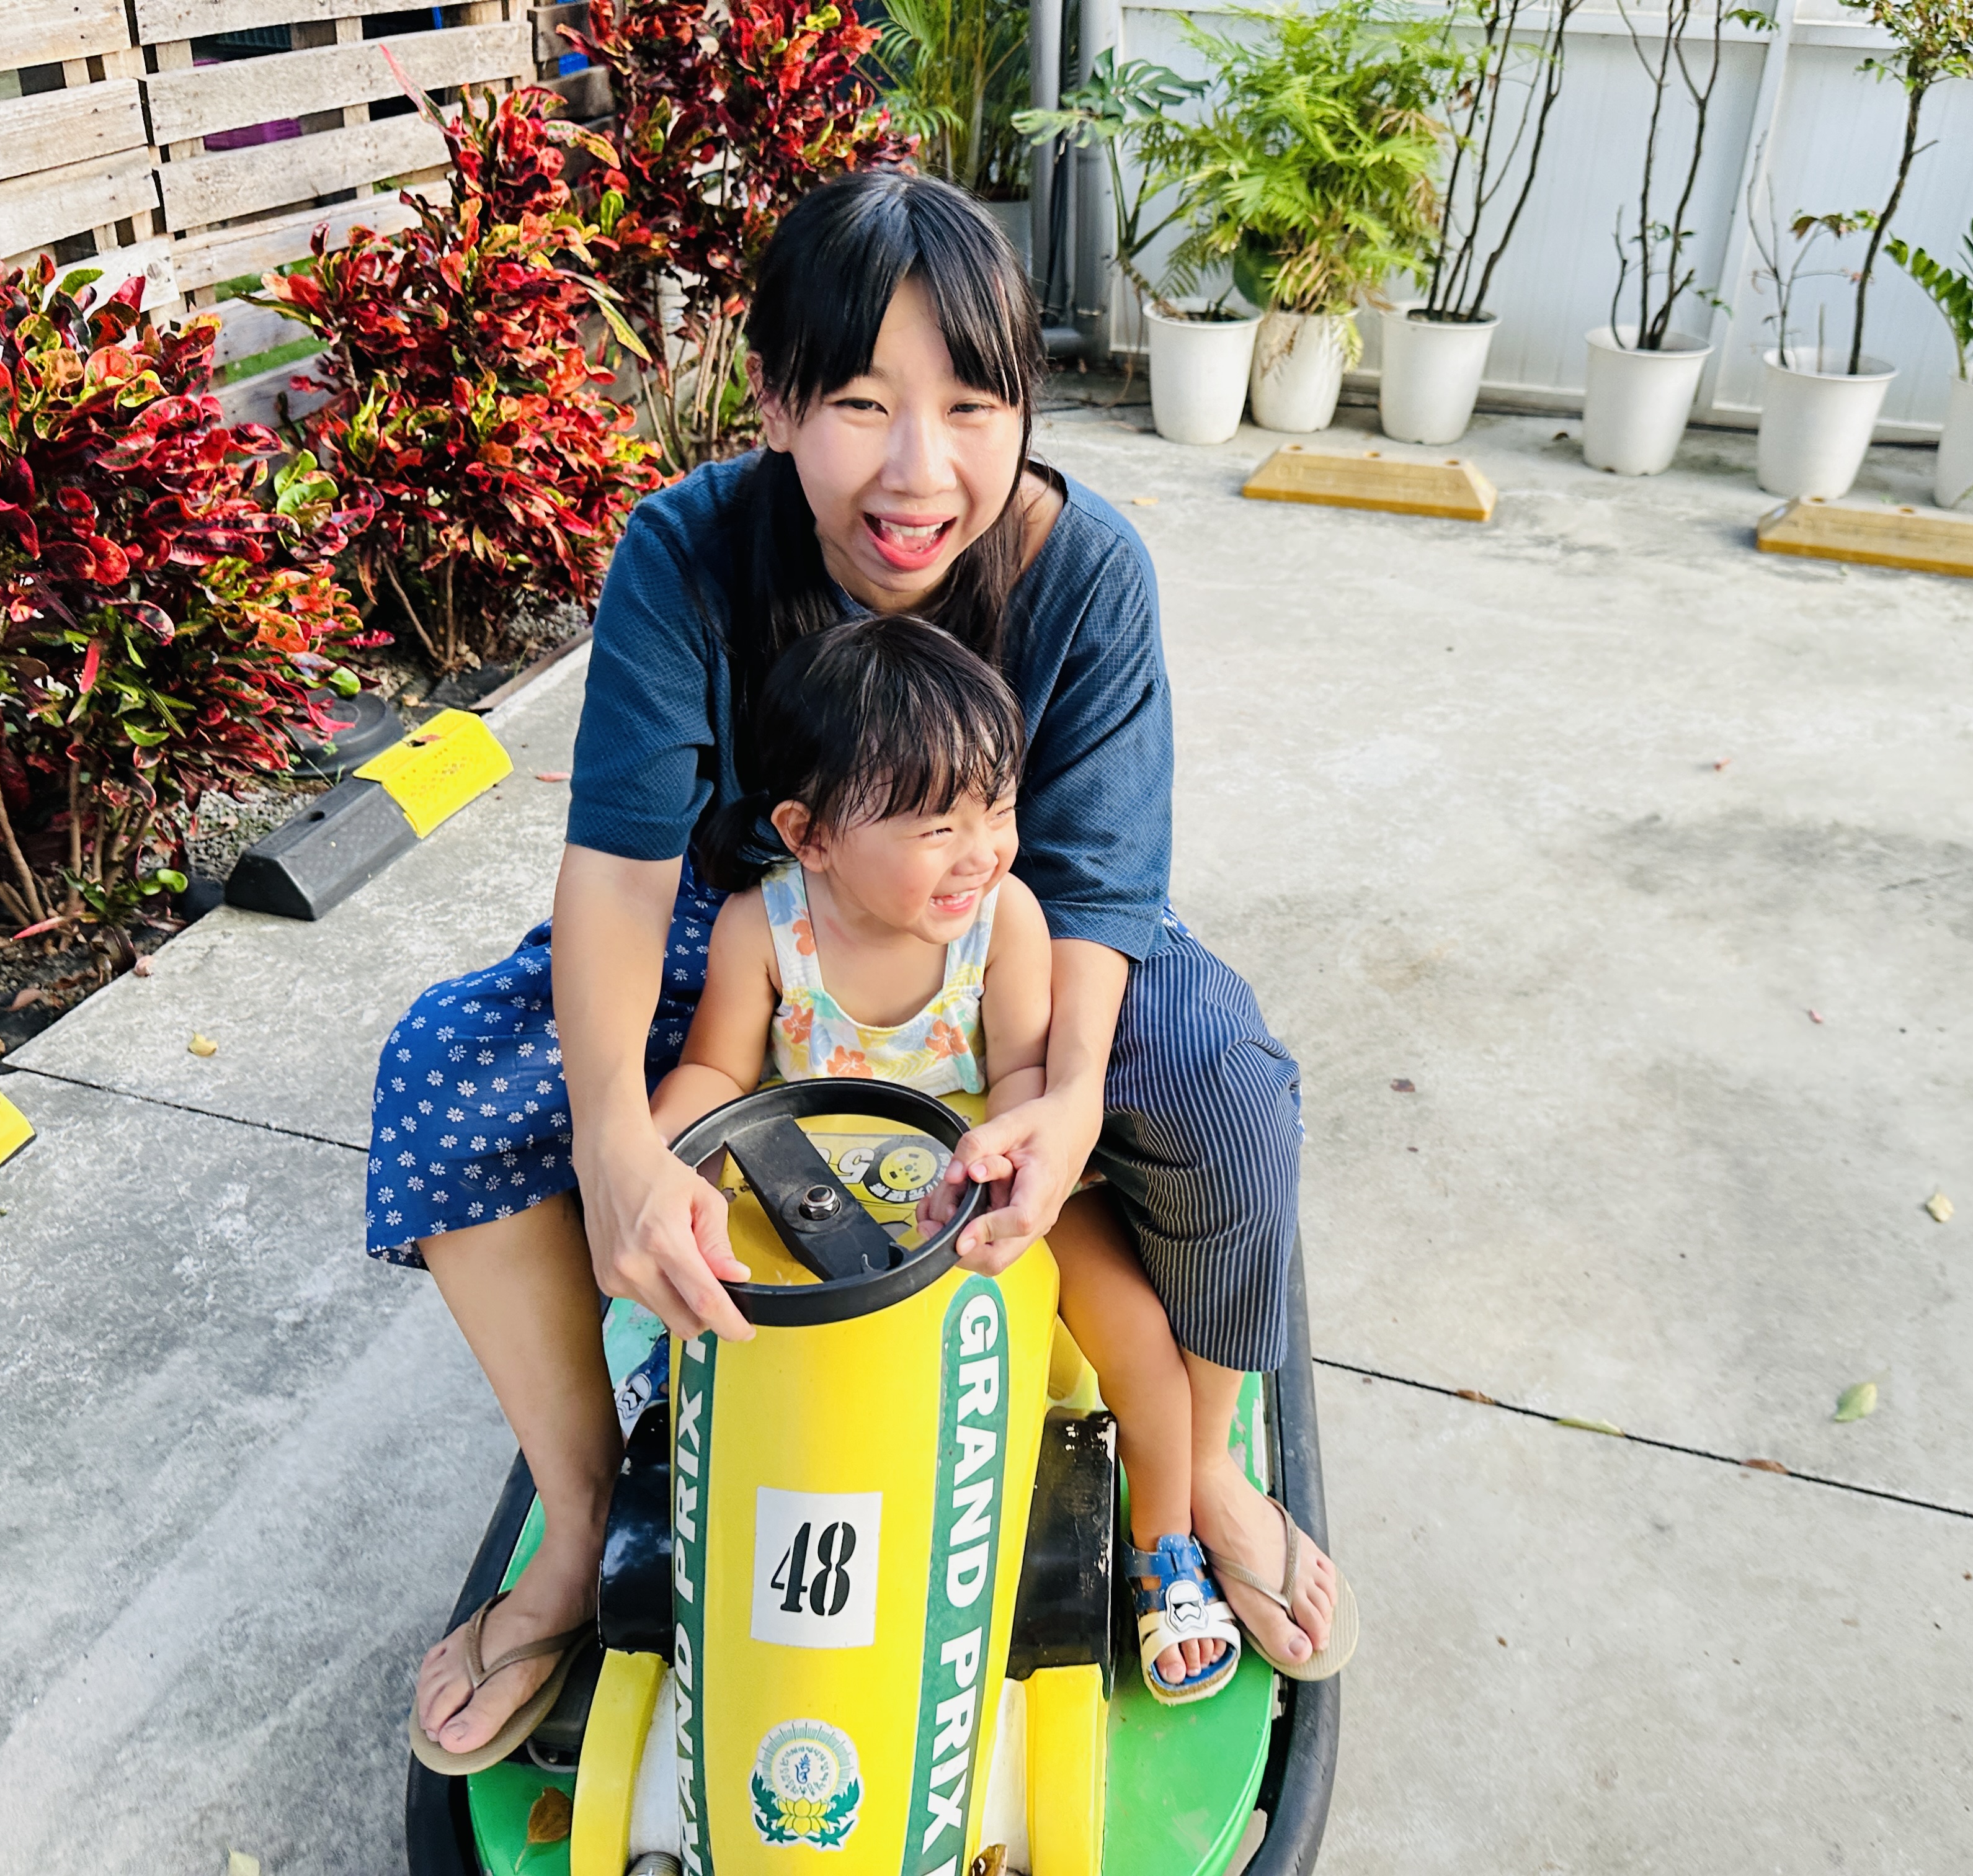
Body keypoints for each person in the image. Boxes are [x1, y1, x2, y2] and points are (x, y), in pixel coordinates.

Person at [385, 168, 1352, 1769]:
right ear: (774, 402)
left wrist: (1069, 1097)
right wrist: (619, 1139)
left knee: (1226, 1086)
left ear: (1027, 408)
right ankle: (580, 1517)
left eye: (973, 406)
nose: (921, 471)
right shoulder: (686, 553)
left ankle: (1216, 1469)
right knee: (444, 1071)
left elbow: (1098, 888)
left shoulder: (1088, 574)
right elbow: (623, 868)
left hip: (1016, 934)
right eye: (858, 404)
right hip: (761, 930)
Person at [651, 612, 1244, 1705]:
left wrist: (999, 1174)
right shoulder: (764, 928)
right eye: (937, 826)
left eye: (999, 809)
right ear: (810, 834)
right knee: (687, 1344)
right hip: (808, 1198)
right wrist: (654, 1154)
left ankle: (1164, 1539)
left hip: (986, 1188)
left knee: (1139, 1344)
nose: (983, 850)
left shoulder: (1002, 920)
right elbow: (717, 1074)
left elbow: (1022, 1079)